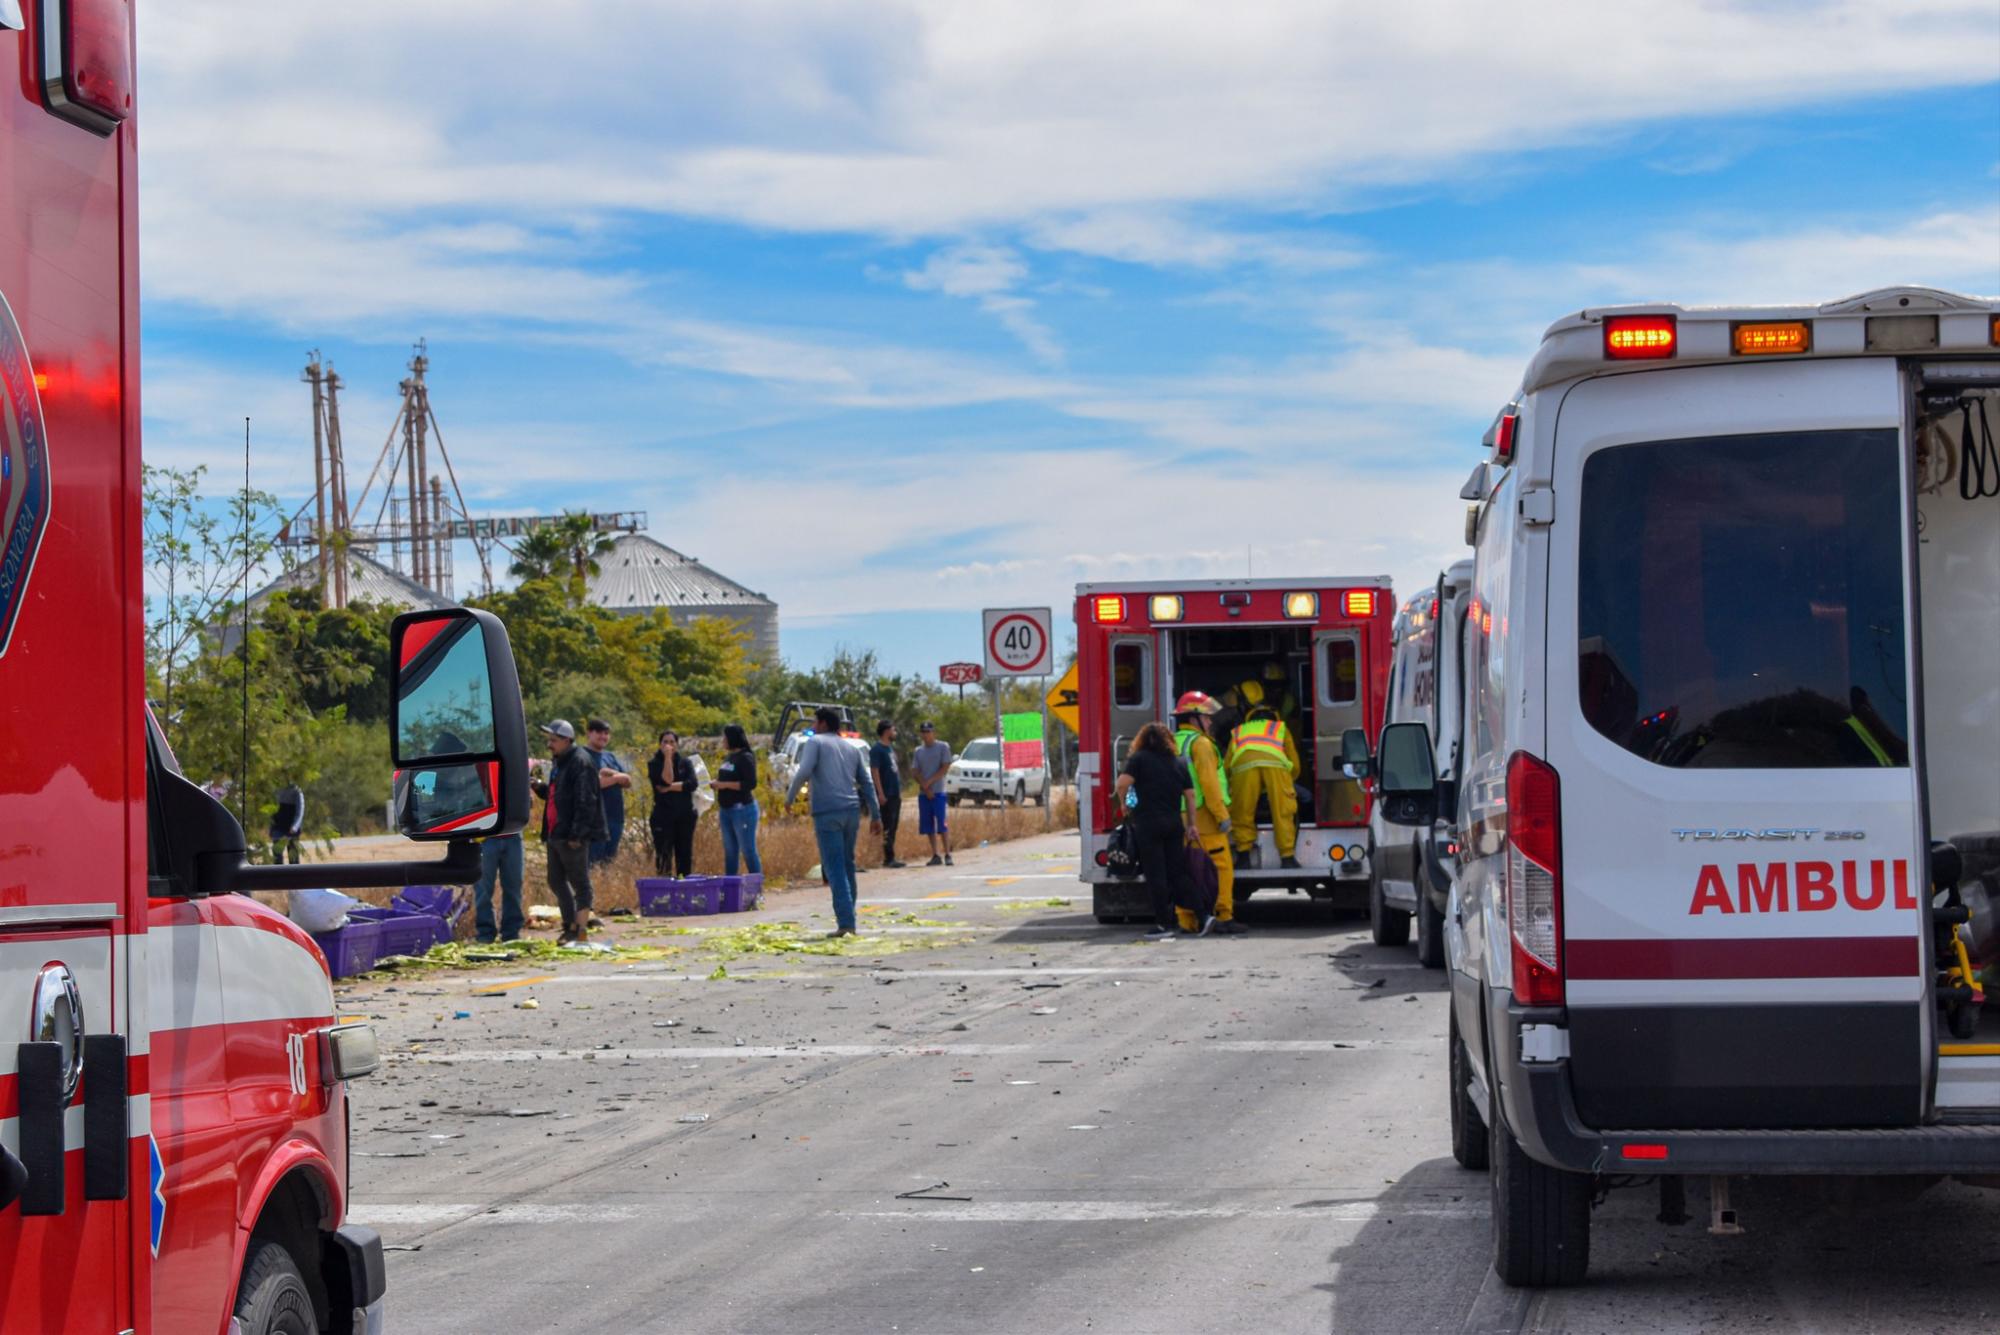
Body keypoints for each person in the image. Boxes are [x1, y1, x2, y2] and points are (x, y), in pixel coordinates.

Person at [786, 706, 881, 937]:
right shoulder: (851, 748)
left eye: (815, 722)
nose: (812, 727)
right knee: (847, 864)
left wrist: (789, 798)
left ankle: (846, 923)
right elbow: (866, 783)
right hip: (851, 811)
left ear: (824, 724)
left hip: (827, 812)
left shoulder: (815, 743)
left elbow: (804, 770)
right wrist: (876, 814)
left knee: (834, 866)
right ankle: (849, 916)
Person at [1115, 721, 1209, 940]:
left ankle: (1163, 924)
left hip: (1148, 825)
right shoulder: (1179, 762)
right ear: (1169, 740)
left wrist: (1125, 803)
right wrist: (1192, 825)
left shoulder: (1138, 760)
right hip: (1174, 825)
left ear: (1142, 741)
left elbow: (1122, 784)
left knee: (1156, 876)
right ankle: (1204, 915)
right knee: (1178, 874)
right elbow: (1191, 796)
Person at [1174, 692, 1246, 936]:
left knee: (1186, 869)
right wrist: (1222, 816)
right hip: (1204, 817)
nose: (1211, 722)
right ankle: (1223, 916)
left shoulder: (1173, 742)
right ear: (1194, 719)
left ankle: (1187, 920)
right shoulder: (1201, 744)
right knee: (1222, 867)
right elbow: (1210, 784)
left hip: (1180, 817)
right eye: (1206, 717)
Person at [531, 719, 607, 944]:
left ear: (566, 740)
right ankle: (569, 924)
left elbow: (586, 800)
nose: (549, 744)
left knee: (580, 883)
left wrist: (578, 834)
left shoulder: (580, 762)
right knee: (555, 881)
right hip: (556, 832)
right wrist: (538, 787)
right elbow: (557, 795)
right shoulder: (560, 762)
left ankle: (580, 930)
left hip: (571, 835)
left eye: (553, 740)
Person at [1228, 702, 1303, 869]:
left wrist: (1233, 786)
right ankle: (1287, 858)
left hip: (1243, 768)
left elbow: (1227, 767)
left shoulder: (1239, 732)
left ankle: (1243, 857)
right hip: (1276, 768)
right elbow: (1295, 764)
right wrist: (1287, 783)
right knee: (1283, 811)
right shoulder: (1281, 729)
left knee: (1242, 811)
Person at [712, 723, 763, 876]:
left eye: (725, 737)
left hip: (742, 810)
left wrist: (723, 785)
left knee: (748, 850)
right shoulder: (729, 757)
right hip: (726, 810)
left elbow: (750, 783)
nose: (723, 740)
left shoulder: (745, 757)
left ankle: (756, 887)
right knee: (730, 851)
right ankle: (730, 889)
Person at [647, 730, 700, 878]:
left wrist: (670, 788)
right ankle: (665, 890)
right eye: (665, 742)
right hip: (663, 816)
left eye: (672, 742)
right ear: (660, 745)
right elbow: (665, 780)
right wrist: (668, 759)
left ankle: (685, 889)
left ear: (677, 744)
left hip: (685, 816)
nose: (668, 745)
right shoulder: (654, 763)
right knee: (664, 855)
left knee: (684, 855)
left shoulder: (685, 762)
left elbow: (692, 784)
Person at [584, 719, 634, 868]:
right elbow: (592, 784)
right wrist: (617, 777)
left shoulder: (609, 756)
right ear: (589, 733)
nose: (603, 736)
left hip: (615, 816)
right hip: (594, 819)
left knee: (609, 861)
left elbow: (628, 781)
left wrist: (611, 774)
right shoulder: (582, 755)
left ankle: (604, 888)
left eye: (606, 733)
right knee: (592, 862)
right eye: (599, 732)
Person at [910, 721, 954, 867]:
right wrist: (925, 786)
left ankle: (948, 853)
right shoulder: (918, 751)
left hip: (938, 791)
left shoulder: (943, 747)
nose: (926, 734)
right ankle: (935, 854)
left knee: (942, 823)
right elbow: (915, 771)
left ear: (933, 732)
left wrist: (929, 783)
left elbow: (945, 767)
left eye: (928, 731)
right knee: (928, 825)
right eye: (923, 732)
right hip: (924, 793)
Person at [472, 832, 524, 944]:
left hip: (513, 837)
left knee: (514, 888)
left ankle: (511, 934)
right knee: (483, 890)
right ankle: (485, 934)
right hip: (485, 839)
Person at [870, 720, 906, 868]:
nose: (895, 732)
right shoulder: (877, 750)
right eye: (893, 730)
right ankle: (888, 857)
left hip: (895, 792)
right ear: (886, 731)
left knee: (893, 825)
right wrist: (880, 793)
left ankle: (891, 856)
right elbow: (875, 771)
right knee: (887, 826)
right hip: (886, 793)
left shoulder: (890, 748)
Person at [268, 781, 305, 865]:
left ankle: (294, 878)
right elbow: (273, 811)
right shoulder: (276, 789)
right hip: (278, 828)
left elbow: (300, 811)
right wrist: (271, 828)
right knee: (277, 858)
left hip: (291, 829)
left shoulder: (296, 790)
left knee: (293, 859)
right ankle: (279, 878)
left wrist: (295, 826)